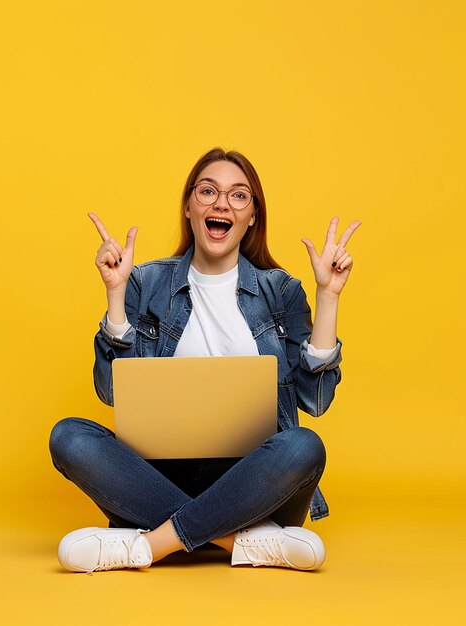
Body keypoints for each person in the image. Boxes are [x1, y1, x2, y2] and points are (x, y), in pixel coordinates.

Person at [49, 147, 360, 574]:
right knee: (69, 436)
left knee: (303, 445)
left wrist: (328, 296)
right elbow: (111, 392)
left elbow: (317, 401)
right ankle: (241, 542)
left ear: (252, 216)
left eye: (238, 196)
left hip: (254, 487)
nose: (221, 203)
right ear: (189, 207)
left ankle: (150, 545)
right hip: (159, 480)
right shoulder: (146, 282)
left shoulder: (281, 291)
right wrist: (116, 296)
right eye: (208, 191)